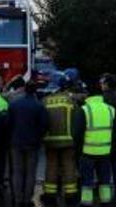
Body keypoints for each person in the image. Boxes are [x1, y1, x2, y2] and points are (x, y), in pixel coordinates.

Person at [7, 80, 49, 207]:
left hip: (16, 142)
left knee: (17, 171)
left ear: (25, 89)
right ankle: (27, 199)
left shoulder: (14, 105)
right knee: (31, 172)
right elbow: (44, 125)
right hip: (32, 143)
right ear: (35, 90)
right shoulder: (39, 106)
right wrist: (38, 137)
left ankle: (17, 199)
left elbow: (8, 124)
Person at [41, 72, 79, 205]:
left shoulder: (45, 101)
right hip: (68, 142)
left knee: (51, 167)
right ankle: (71, 196)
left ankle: (50, 196)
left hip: (50, 141)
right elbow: (77, 120)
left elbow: (41, 122)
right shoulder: (70, 101)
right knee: (69, 167)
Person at [74, 85, 115, 206]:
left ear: (88, 96)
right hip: (105, 151)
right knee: (105, 180)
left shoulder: (85, 109)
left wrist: (77, 152)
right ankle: (106, 201)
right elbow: (115, 131)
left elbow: (77, 133)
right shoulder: (110, 109)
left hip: (88, 152)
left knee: (87, 181)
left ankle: (86, 203)